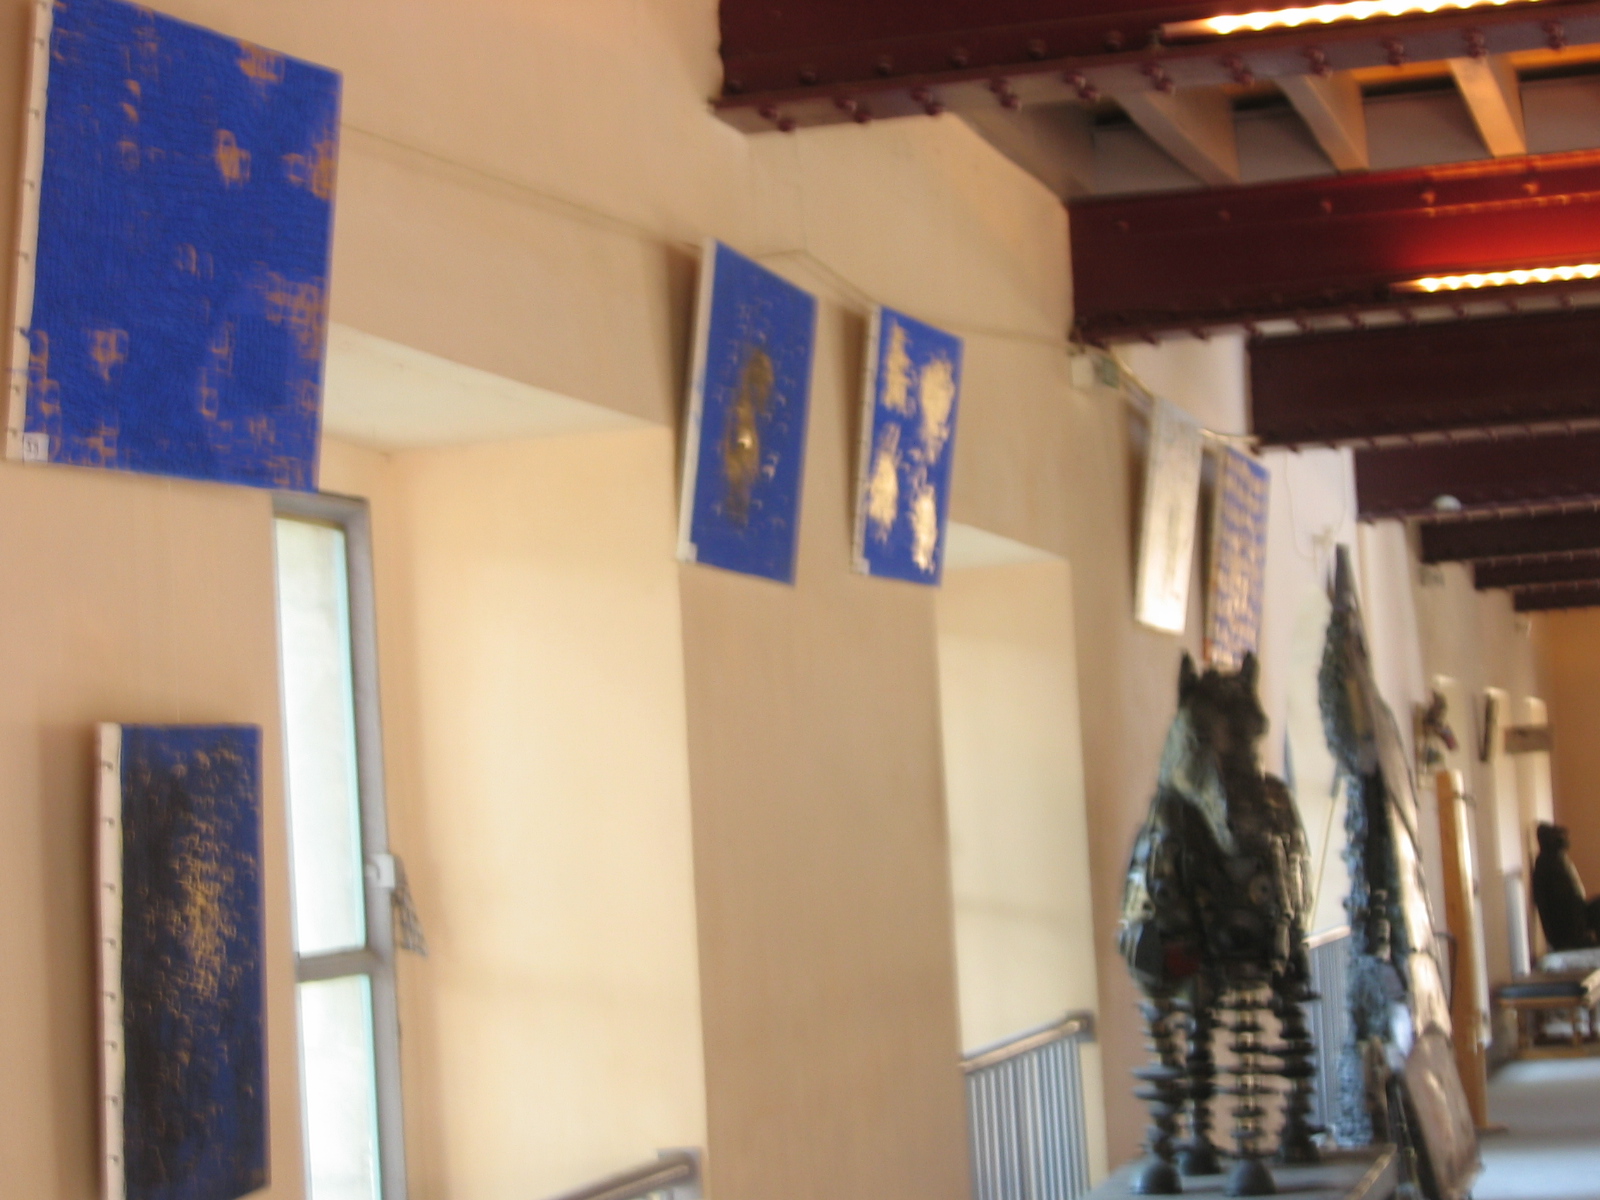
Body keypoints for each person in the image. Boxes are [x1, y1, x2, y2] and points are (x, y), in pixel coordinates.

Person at [1531, 822, 1600, 951]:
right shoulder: (1549, 862)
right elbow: (1563, 901)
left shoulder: (1556, 859)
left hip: (1575, 916)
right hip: (1567, 925)